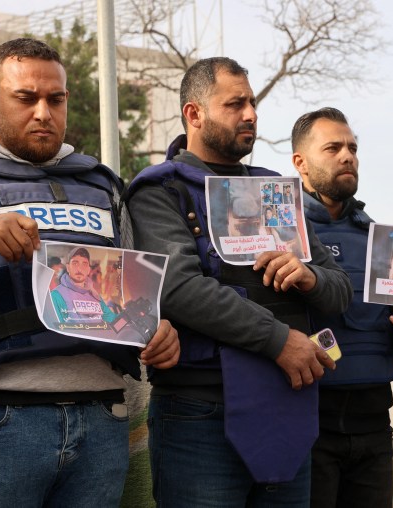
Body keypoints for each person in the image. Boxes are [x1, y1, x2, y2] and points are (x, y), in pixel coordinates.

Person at [0, 38, 180, 507]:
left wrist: (157, 330)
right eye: (26, 98)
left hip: (102, 420)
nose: (44, 112)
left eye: (56, 99)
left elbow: (135, 301)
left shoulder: (103, 184)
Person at [126, 58, 353, 506]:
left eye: (252, 102)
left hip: (288, 405)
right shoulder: (161, 190)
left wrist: (308, 276)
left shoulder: (274, 191)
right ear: (194, 114)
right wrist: (279, 340)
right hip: (201, 413)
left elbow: (340, 288)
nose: (250, 113)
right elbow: (179, 288)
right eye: (235, 103)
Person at [291, 107, 393, 508]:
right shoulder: (280, 232)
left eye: (352, 147)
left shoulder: (384, 241)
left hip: (373, 423)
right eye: (333, 147)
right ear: (300, 162)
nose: (347, 156)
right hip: (305, 423)